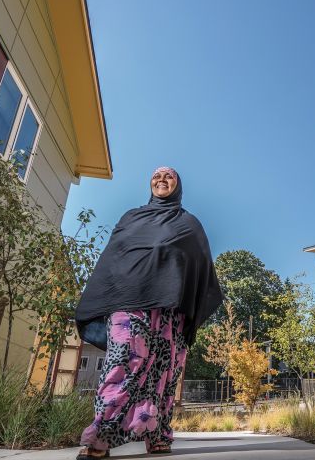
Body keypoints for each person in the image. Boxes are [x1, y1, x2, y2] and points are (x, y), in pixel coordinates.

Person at [74, 166, 224, 459]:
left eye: (169, 176)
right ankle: (100, 437)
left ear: (178, 185)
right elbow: (114, 257)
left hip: (170, 310)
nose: (162, 180)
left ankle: (158, 435)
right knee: (122, 363)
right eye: (156, 176)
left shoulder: (189, 224)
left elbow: (199, 266)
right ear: (150, 183)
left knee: (164, 373)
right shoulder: (131, 218)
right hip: (128, 304)